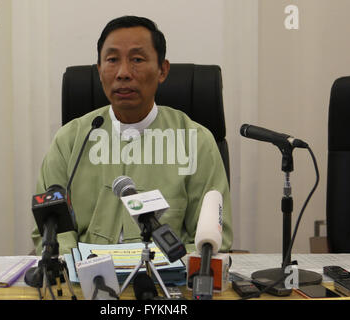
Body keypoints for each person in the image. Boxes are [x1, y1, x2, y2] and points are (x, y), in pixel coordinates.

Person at [31, 16, 232, 255]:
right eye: (112, 60)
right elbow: (51, 229)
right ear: (99, 70)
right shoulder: (69, 140)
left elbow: (211, 237)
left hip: (167, 281)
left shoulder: (197, 142)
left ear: (162, 70)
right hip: (87, 281)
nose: (123, 73)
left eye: (137, 59)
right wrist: (76, 264)